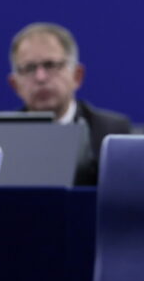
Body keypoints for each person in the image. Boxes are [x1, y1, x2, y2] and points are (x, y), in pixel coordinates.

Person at [8, 22, 131, 185]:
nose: (40, 78)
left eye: (50, 65)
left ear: (77, 76)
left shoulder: (110, 133)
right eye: (30, 68)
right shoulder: (4, 139)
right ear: (15, 85)